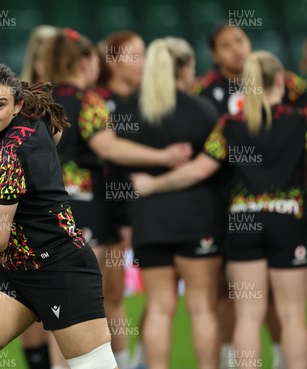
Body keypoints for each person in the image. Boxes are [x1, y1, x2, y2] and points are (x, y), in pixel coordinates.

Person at [131, 50, 307, 369]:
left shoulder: (230, 125)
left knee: (248, 316)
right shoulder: (300, 122)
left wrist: (154, 185)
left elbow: (198, 169)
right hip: (288, 221)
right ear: (281, 80)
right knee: (293, 314)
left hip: (242, 224)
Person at [0, 63, 119, 369]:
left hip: (61, 270)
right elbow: (56, 135)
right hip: (15, 272)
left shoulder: (3, 158)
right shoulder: (34, 120)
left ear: (17, 103)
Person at [42, 28, 194, 369]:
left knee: (60, 310)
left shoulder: (37, 100)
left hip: (47, 213)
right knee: (95, 304)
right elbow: (107, 146)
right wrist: (163, 157)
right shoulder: (88, 99)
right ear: (84, 62)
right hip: (86, 212)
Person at [122, 38, 225, 369]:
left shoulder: (128, 110)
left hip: (149, 221)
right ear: (184, 68)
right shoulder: (203, 110)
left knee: (159, 307)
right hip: (197, 219)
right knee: (202, 307)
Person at [95, 30, 145, 369]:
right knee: (101, 298)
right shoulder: (95, 102)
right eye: (134, 55)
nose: (142, 63)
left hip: (149, 211)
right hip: (104, 213)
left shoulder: (150, 101)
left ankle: (131, 362)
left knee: (151, 297)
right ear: (112, 60)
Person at [19, 23, 61, 369]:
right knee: (27, 297)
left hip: (62, 200)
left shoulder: (71, 94)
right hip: (24, 204)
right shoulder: (19, 97)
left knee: (57, 293)